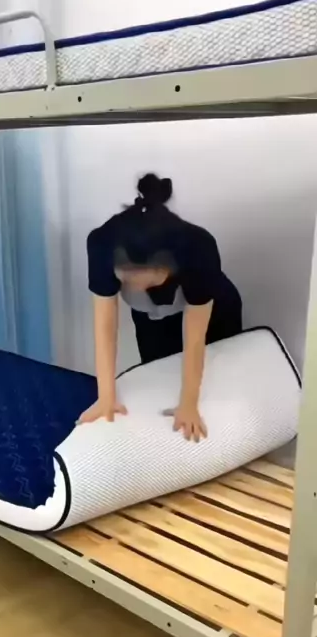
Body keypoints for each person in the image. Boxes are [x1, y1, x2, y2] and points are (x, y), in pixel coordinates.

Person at [78, 173, 243, 442]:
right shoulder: (101, 244)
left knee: (215, 388)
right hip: (153, 318)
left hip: (214, 314)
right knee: (159, 376)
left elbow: (195, 340)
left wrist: (188, 405)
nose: (133, 287)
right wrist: (106, 398)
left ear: (167, 270)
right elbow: (105, 328)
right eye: (126, 280)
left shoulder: (198, 250)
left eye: (142, 280)